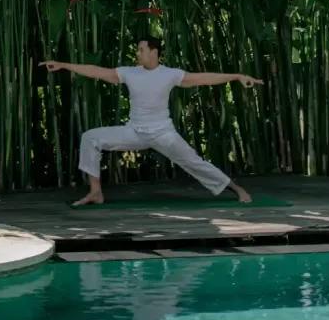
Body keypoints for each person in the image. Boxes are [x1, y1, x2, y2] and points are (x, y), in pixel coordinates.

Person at [40, 36, 263, 206]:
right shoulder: (129, 72)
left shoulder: (170, 74)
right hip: (134, 132)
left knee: (194, 163)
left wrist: (236, 76)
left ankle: (236, 188)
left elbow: (205, 79)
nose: (137, 53)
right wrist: (65, 65)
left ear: (154, 52)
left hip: (163, 134)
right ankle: (95, 191)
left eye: (141, 50)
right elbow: (97, 72)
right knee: (91, 137)